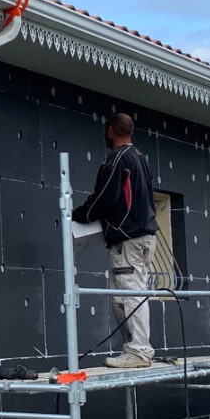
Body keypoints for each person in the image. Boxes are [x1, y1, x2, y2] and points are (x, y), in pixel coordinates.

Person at [74, 112, 159, 369]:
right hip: (144, 236)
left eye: (106, 131)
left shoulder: (117, 159)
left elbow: (104, 198)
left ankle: (139, 351)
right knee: (131, 293)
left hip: (128, 238)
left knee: (129, 293)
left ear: (110, 130)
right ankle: (136, 348)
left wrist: (80, 214)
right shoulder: (140, 158)